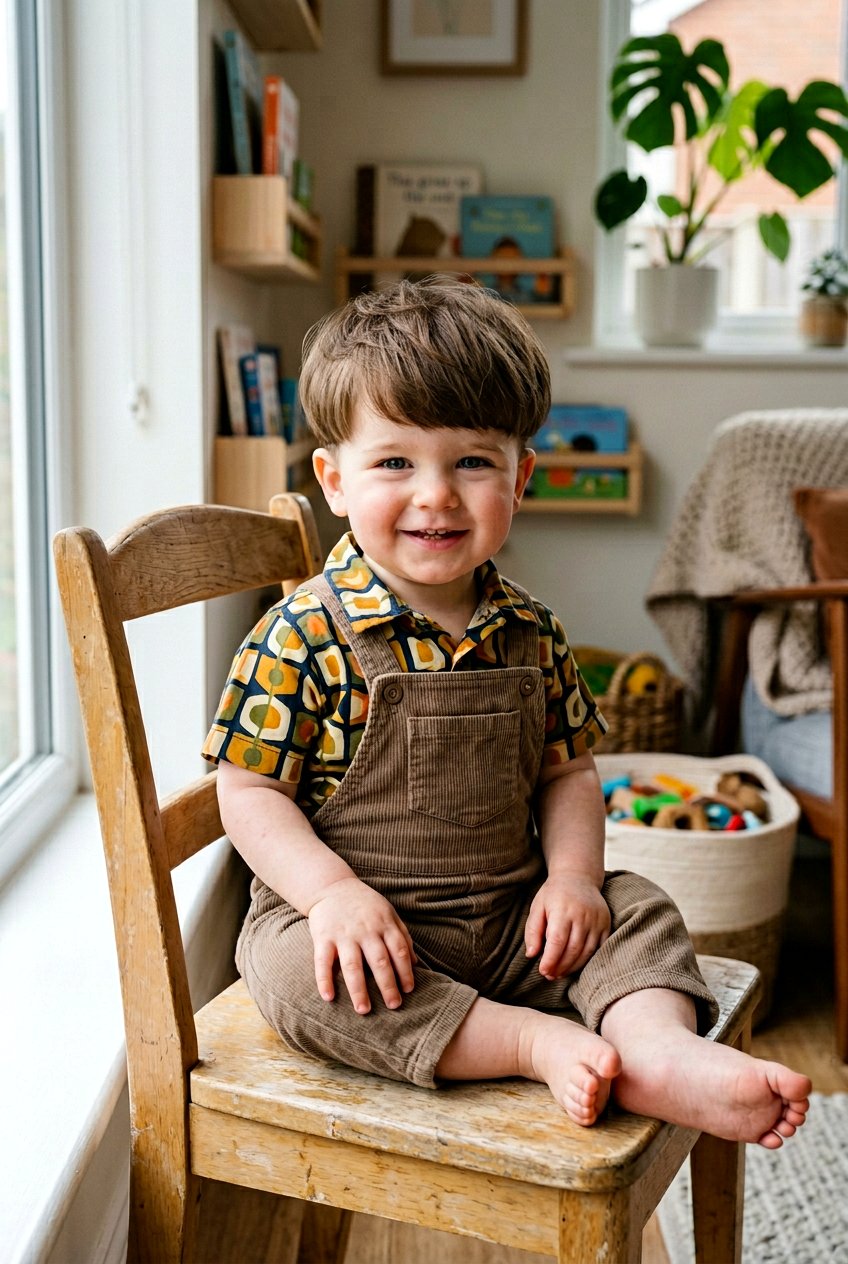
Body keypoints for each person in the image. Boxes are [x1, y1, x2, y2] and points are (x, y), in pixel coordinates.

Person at [204, 277, 811, 1148]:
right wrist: (331, 895)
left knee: (635, 905)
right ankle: (528, 1041)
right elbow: (248, 790)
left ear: (521, 477)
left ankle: (655, 1049)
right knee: (296, 978)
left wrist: (569, 881)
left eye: (472, 462)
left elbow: (567, 771)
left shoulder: (531, 631)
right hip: (367, 939)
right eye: (395, 462)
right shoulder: (301, 634)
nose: (437, 495)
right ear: (334, 481)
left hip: (516, 921)